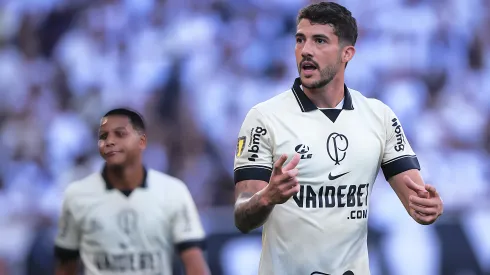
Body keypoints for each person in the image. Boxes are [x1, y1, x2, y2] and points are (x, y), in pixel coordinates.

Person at [232, 2, 444, 275]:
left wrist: (428, 207)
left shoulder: (379, 116)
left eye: (319, 41)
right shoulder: (263, 118)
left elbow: (417, 202)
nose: (306, 50)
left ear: (347, 53)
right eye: (300, 40)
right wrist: (267, 197)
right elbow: (241, 216)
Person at [54, 108, 210, 275]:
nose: (110, 142)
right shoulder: (77, 196)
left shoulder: (173, 192)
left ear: (141, 141)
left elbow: (196, 265)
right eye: (103, 136)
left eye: (120, 134)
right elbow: (65, 267)